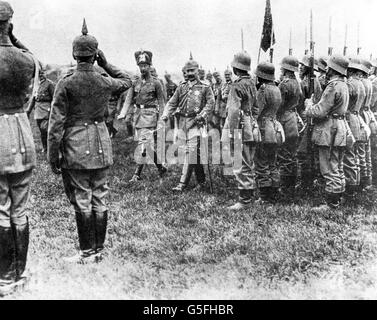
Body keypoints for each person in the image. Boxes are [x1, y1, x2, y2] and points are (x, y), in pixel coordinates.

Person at [48, 19, 131, 263]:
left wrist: (53, 155)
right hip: (101, 144)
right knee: (100, 196)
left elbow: (55, 125)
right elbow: (126, 80)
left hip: (76, 145)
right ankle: (98, 251)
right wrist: (106, 63)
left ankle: (86, 252)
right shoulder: (104, 80)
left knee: (82, 197)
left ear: (74, 55)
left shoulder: (66, 82)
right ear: (95, 55)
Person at [0, 1, 37, 296]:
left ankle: (4, 277)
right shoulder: (27, 60)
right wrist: (12, 36)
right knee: (20, 209)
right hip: (22, 135)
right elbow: (28, 56)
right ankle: (19, 274)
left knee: (1, 209)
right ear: (10, 24)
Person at [160, 54, 215, 191]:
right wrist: (166, 114)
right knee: (193, 153)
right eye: (187, 71)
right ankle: (201, 181)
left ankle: (182, 183)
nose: (190, 74)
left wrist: (202, 115)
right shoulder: (181, 87)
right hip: (183, 123)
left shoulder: (205, 87)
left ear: (198, 71)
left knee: (190, 152)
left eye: (192, 71)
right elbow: (172, 103)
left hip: (197, 123)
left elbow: (211, 103)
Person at [304, 54, 349, 211]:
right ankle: (337, 199)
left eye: (329, 67)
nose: (326, 69)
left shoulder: (333, 86)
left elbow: (321, 111)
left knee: (328, 166)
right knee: (337, 165)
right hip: (339, 127)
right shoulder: (343, 84)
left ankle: (331, 204)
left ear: (333, 68)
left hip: (330, 129)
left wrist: (309, 106)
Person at [117, 50, 167, 182]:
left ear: (150, 66)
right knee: (147, 146)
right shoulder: (136, 82)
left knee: (143, 145)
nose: (143, 68)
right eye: (140, 66)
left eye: (145, 65)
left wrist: (162, 119)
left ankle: (137, 174)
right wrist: (123, 113)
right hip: (138, 117)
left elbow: (162, 102)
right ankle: (161, 167)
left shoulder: (156, 83)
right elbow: (128, 98)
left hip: (150, 117)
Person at [223, 51, 260, 210]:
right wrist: (251, 121)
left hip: (240, 127)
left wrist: (232, 132)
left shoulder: (236, 85)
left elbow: (233, 112)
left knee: (240, 162)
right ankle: (249, 196)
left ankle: (244, 200)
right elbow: (256, 108)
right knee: (248, 162)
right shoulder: (252, 83)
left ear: (235, 68)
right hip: (251, 125)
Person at [254, 61, 283, 204]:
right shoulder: (276, 88)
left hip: (263, 128)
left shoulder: (263, 89)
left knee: (261, 162)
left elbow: (257, 110)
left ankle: (265, 197)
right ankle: (275, 193)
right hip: (274, 127)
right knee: (273, 162)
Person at [296, 55, 323, 191]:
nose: (300, 68)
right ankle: (310, 181)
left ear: (307, 69)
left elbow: (300, 102)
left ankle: (306, 183)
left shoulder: (306, 82)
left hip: (306, 118)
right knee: (311, 152)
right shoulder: (315, 81)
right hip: (312, 118)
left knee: (303, 152)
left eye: (302, 66)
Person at [277, 56, 302, 194]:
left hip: (285, 119)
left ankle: (285, 187)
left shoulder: (284, 84)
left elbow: (279, 105)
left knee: (284, 153)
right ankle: (291, 184)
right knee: (291, 153)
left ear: (285, 69)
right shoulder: (296, 82)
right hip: (293, 118)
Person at [343, 57, 367, 197]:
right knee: (355, 154)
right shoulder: (361, 84)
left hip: (349, 119)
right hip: (357, 119)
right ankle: (355, 185)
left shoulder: (350, 84)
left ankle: (350, 188)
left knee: (349, 155)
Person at [27, 67, 56, 153]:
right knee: (41, 131)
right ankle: (45, 148)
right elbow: (33, 99)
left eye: (42, 73)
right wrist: (28, 110)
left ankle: (50, 148)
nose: (41, 75)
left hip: (46, 110)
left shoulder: (49, 84)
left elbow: (54, 98)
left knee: (46, 130)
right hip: (38, 112)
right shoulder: (36, 84)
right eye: (39, 74)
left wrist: (52, 110)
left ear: (46, 73)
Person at [214, 69, 233, 133]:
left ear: (231, 75)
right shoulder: (222, 85)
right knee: (221, 125)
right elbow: (218, 98)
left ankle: (230, 139)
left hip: (230, 107)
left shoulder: (234, 85)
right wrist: (216, 108)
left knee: (230, 124)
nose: (227, 76)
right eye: (226, 75)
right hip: (222, 108)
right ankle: (223, 139)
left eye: (228, 75)